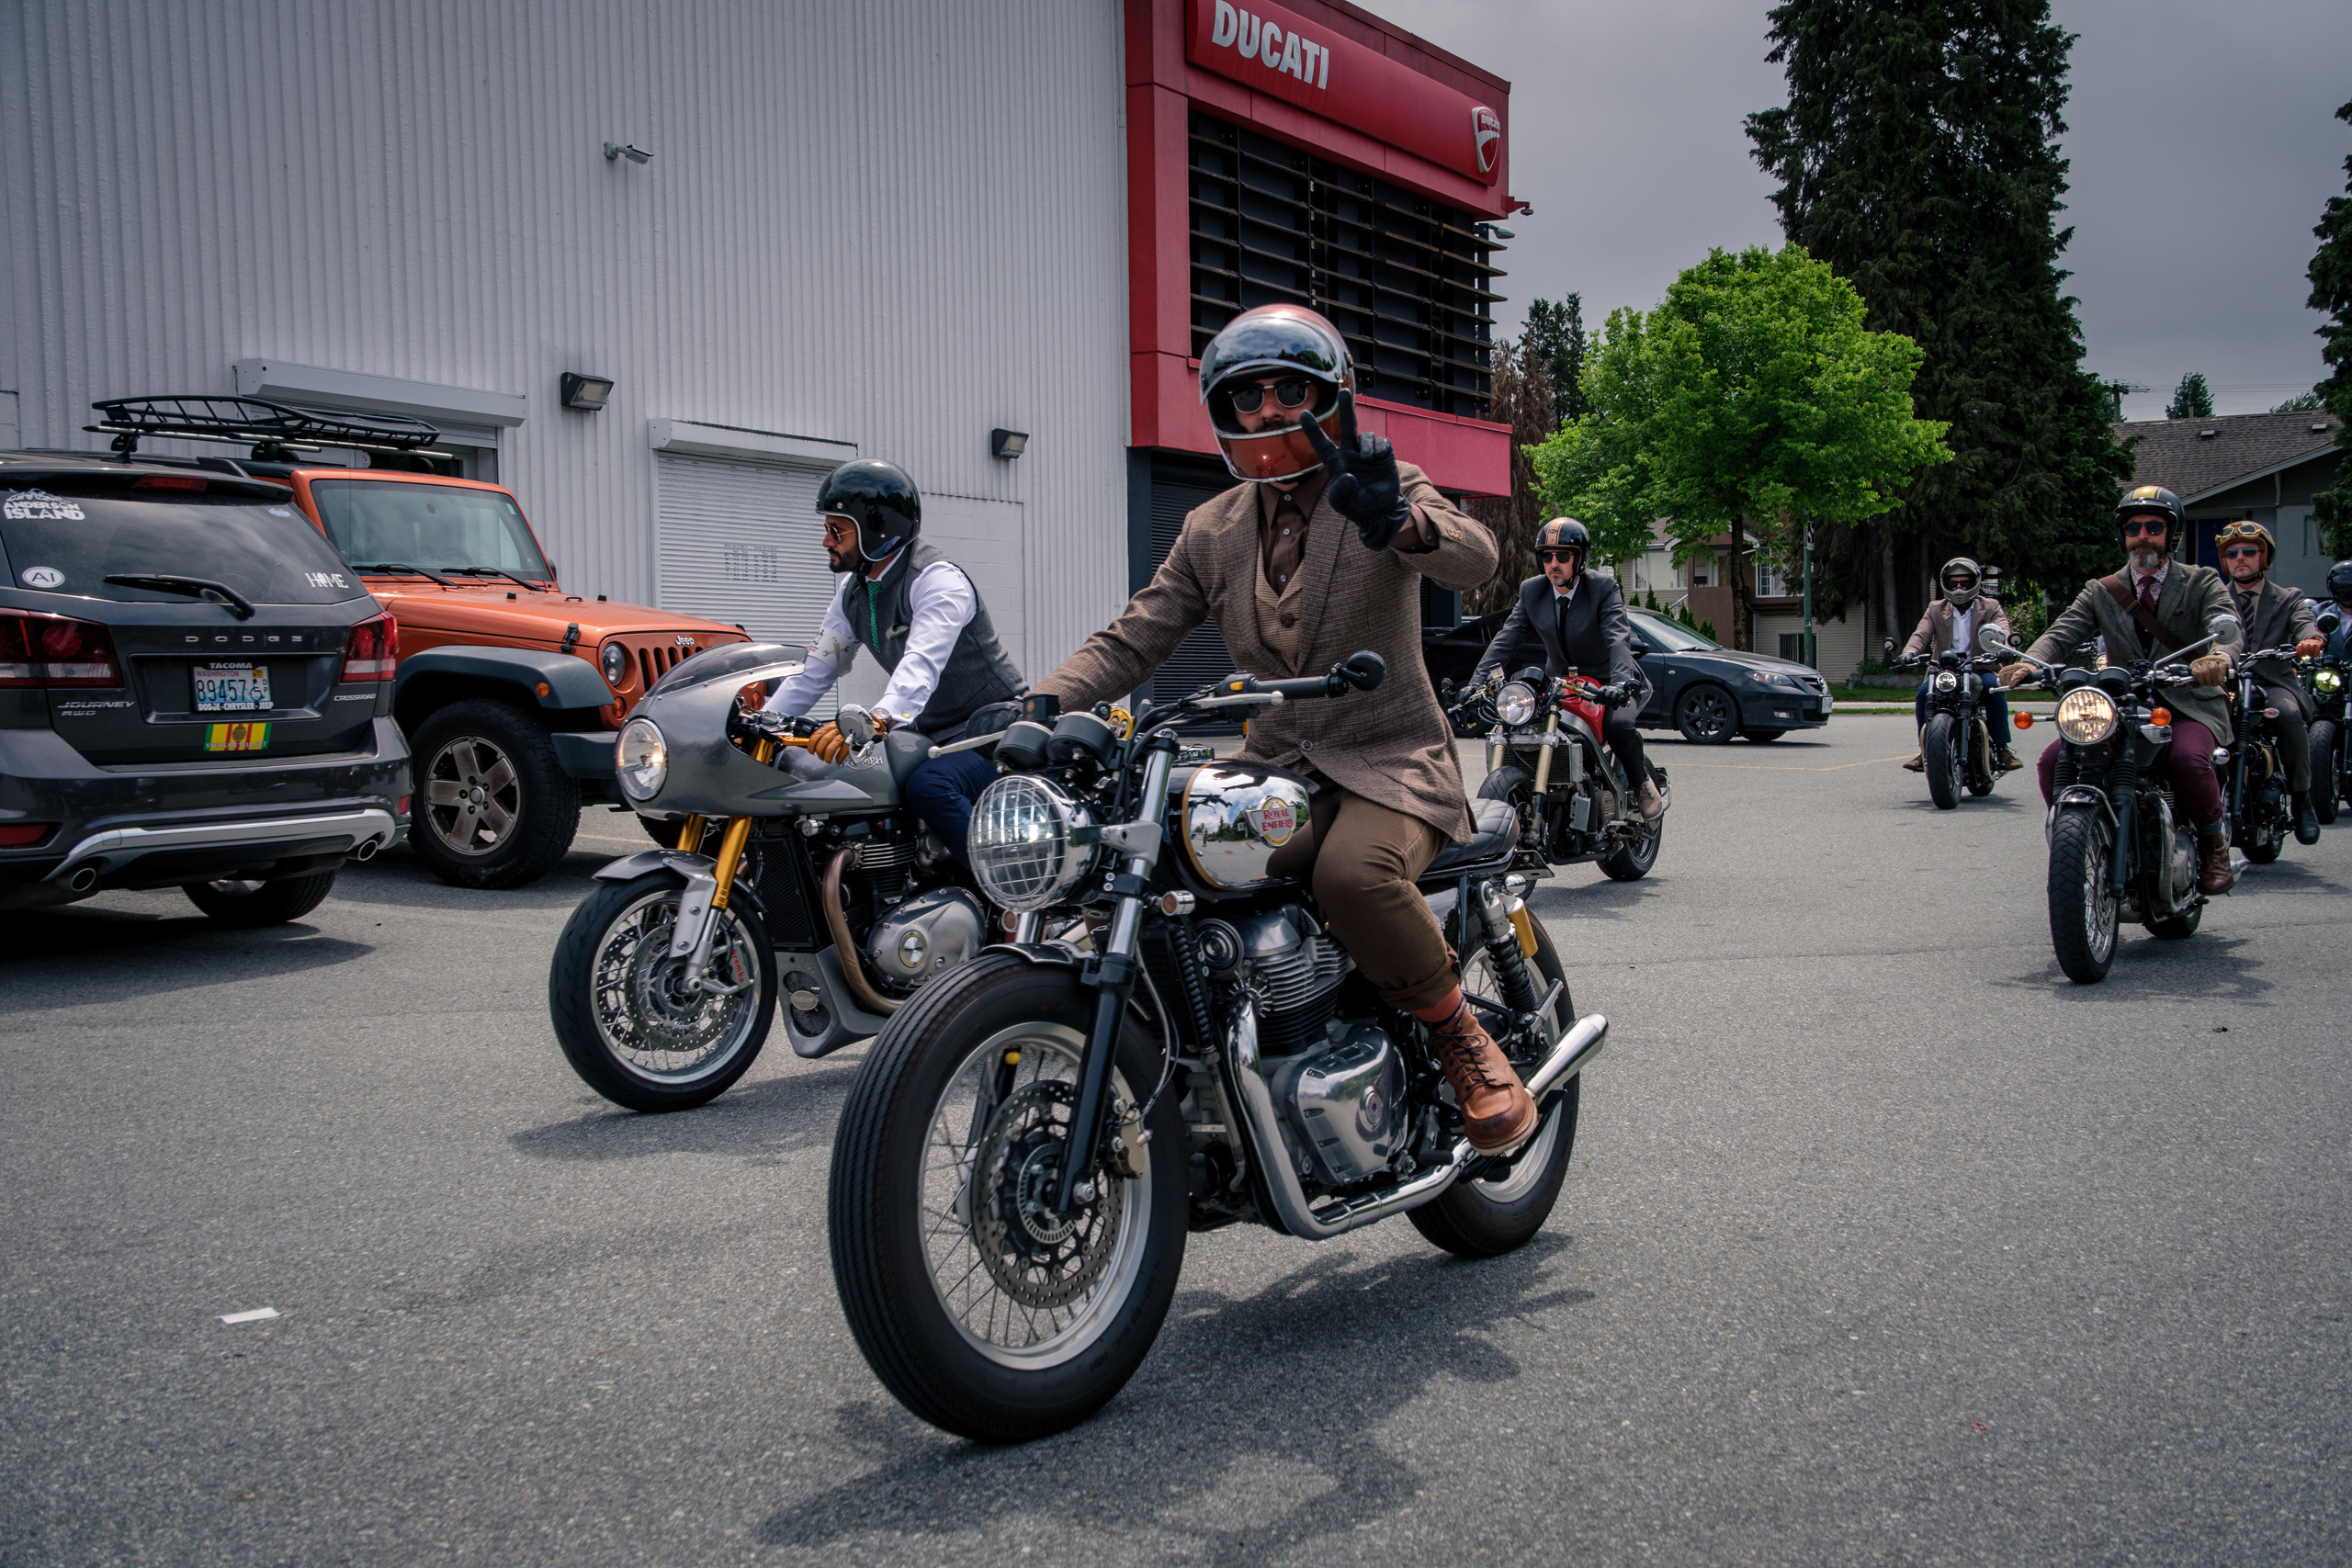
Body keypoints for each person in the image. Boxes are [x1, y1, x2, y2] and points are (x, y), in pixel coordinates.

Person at [1024, 303, 1534, 1153]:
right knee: (1159, 862)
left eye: (1290, 389)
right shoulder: (1211, 528)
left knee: (1354, 875)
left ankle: (1458, 1036)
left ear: (1329, 396)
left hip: (1390, 754)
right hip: (1278, 760)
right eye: (1249, 395)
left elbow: (1475, 556)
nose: (1268, 409)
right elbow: (1136, 635)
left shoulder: (1382, 482)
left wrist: (1399, 520)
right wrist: (1043, 704)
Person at [762, 459, 1023, 865]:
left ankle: (1007, 886)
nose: (826, 542)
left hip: (992, 730)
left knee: (929, 788)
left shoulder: (936, 580)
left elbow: (921, 665)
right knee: (852, 778)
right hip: (932, 734)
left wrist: (879, 717)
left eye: (837, 531)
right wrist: (762, 724)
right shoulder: (854, 593)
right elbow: (814, 672)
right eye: (827, 529)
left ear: (875, 529)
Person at [2001, 484, 2245, 893]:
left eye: (2153, 526)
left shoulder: (2200, 581)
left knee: (2187, 759)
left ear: (2171, 535)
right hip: (2119, 703)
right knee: (2051, 761)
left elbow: (2226, 623)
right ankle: (2076, 843)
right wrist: (2028, 661)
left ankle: (2213, 844)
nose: (2143, 535)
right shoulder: (2101, 589)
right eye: (2133, 528)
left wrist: (2219, 657)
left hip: (2188, 701)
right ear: (2123, 536)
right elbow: (2062, 632)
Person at [1468, 517, 1664, 818]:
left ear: (1580, 559)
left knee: (1619, 726)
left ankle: (1641, 784)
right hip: (1562, 684)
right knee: (1526, 725)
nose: (1553, 563)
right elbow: (1505, 640)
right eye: (1547, 556)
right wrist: (1475, 683)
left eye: (1563, 556)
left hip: (1608, 682)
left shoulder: (1602, 588)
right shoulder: (1533, 592)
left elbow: (1617, 637)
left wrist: (1622, 683)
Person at [2213, 520, 2324, 844]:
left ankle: (2303, 799)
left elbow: (2305, 623)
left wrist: (2311, 638)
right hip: (2226, 682)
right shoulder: (2214, 598)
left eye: (2250, 551)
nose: (2240, 558)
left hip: (2272, 682)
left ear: (2265, 557)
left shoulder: (2288, 597)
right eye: (2232, 553)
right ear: (2224, 561)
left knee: (2288, 715)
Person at [1899, 556, 2022, 773]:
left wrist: (2003, 647)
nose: (1958, 587)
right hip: (1944, 669)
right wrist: (1909, 652)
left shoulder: (1989, 607)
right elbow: (1921, 634)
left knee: (1993, 690)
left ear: (1974, 582)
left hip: (1981, 666)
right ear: (1945, 583)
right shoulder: (1936, 608)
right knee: (1922, 695)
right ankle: (1926, 749)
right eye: (1953, 582)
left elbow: (2002, 628)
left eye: (1964, 583)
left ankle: (2002, 748)